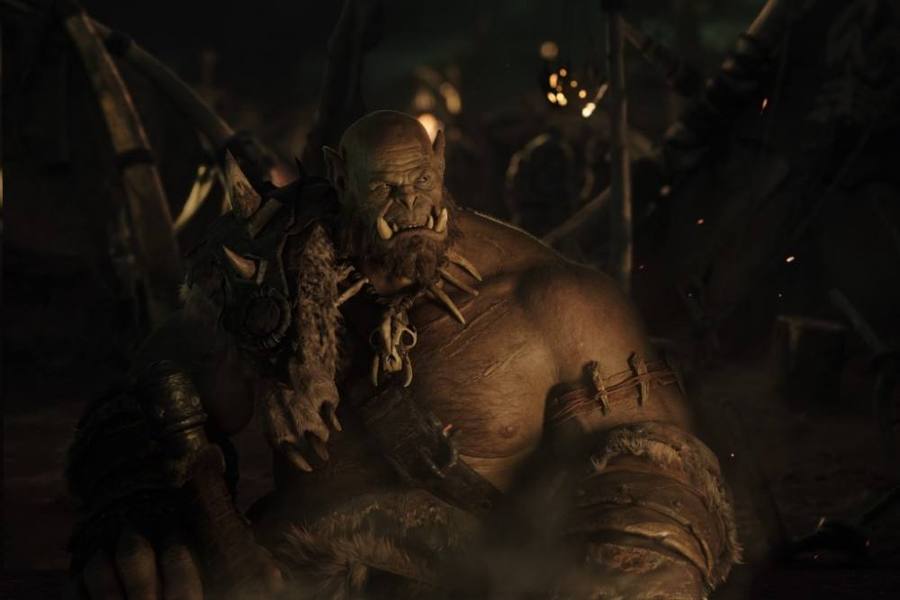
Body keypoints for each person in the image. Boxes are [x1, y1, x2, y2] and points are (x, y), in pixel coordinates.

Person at [68, 110, 739, 599]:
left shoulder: (552, 300)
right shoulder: (272, 281)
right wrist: (141, 497)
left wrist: (620, 576)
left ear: (439, 164)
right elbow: (162, 384)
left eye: (419, 181)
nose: (410, 204)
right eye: (385, 188)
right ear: (339, 176)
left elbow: (659, 472)